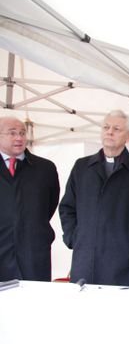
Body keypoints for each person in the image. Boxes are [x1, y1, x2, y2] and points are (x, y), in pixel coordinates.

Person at [59, 110, 129, 286]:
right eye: (106, 127)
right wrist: (74, 237)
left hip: (125, 263)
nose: (109, 132)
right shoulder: (82, 167)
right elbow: (67, 207)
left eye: (116, 128)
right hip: (85, 259)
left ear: (128, 136)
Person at [0, 116, 59, 282]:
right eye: (12, 133)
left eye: (22, 133)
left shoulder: (44, 168)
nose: (19, 138)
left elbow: (50, 204)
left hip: (33, 251)